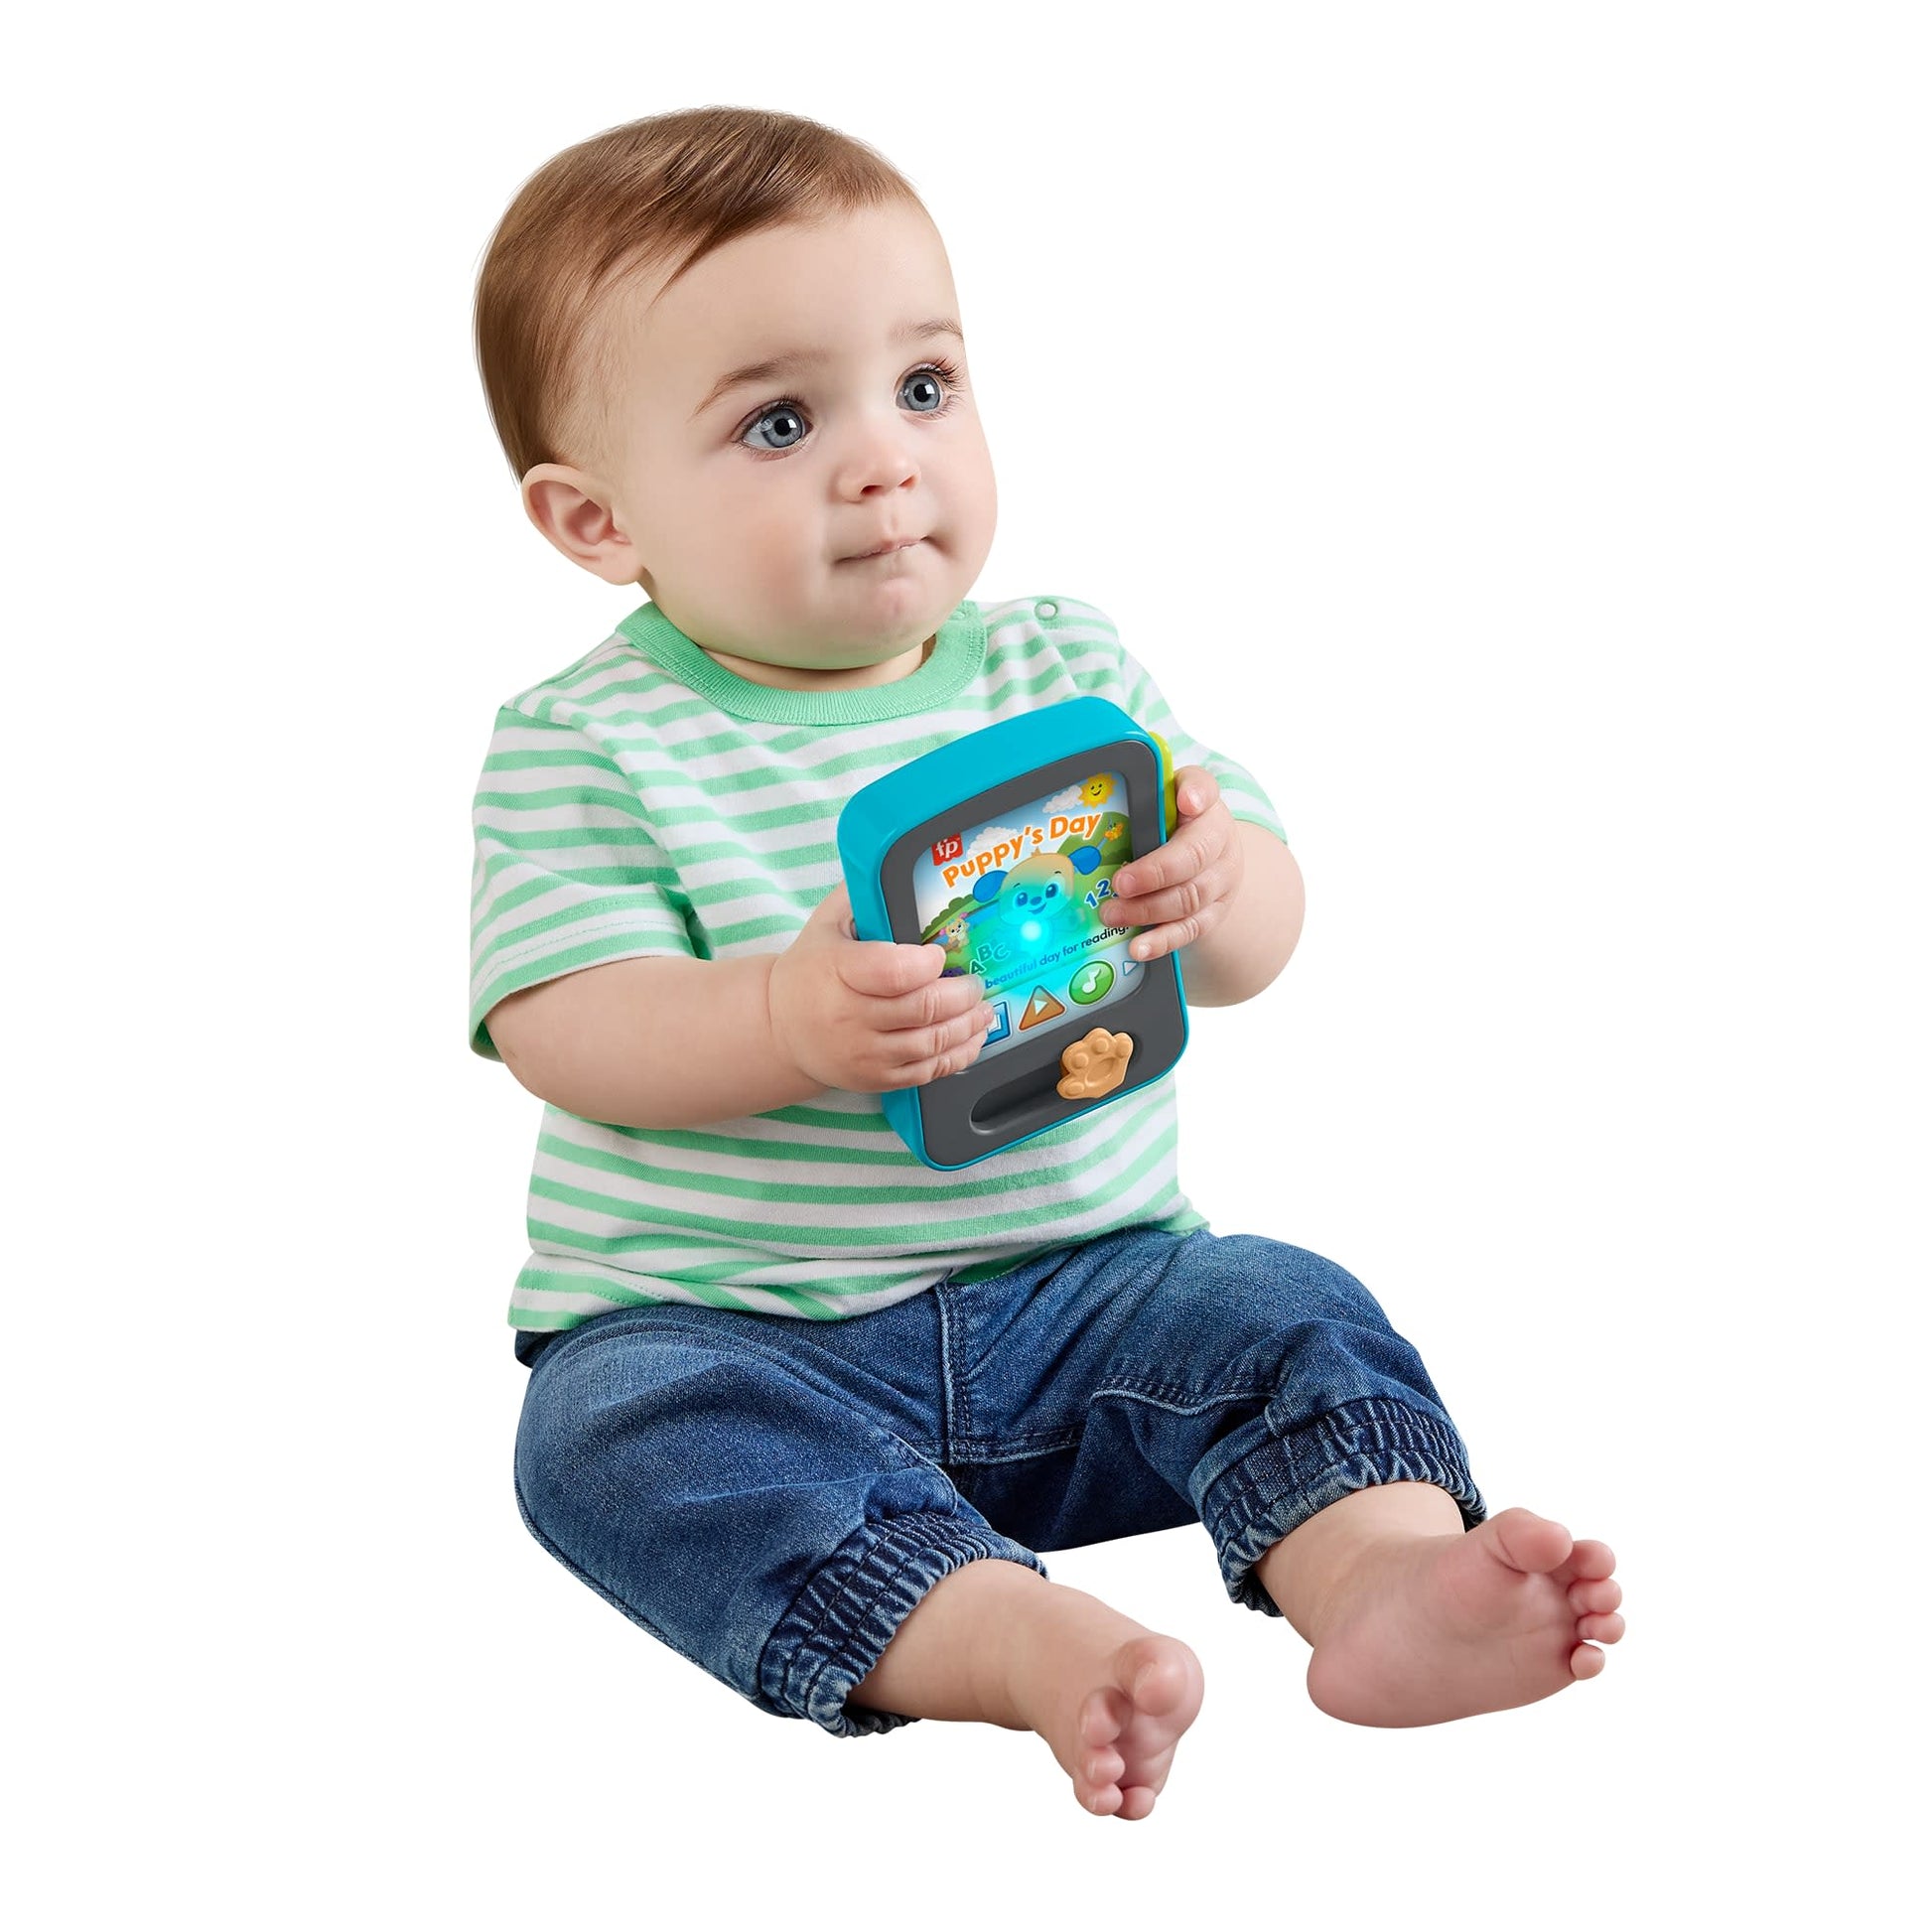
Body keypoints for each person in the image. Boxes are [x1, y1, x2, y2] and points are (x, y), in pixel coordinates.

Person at [467, 104, 1624, 1821]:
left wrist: (1210, 886)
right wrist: (780, 1015)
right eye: (780, 421)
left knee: (1283, 1301)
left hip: (1094, 1300)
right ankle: (1000, 1635)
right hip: (741, 1331)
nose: (885, 460)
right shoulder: (587, 742)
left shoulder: (1064, 673)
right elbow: (562, 1024)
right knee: (599, 1435)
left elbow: (1256, 946)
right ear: (593, 518)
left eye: (922, 385)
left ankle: (1378, 1578)